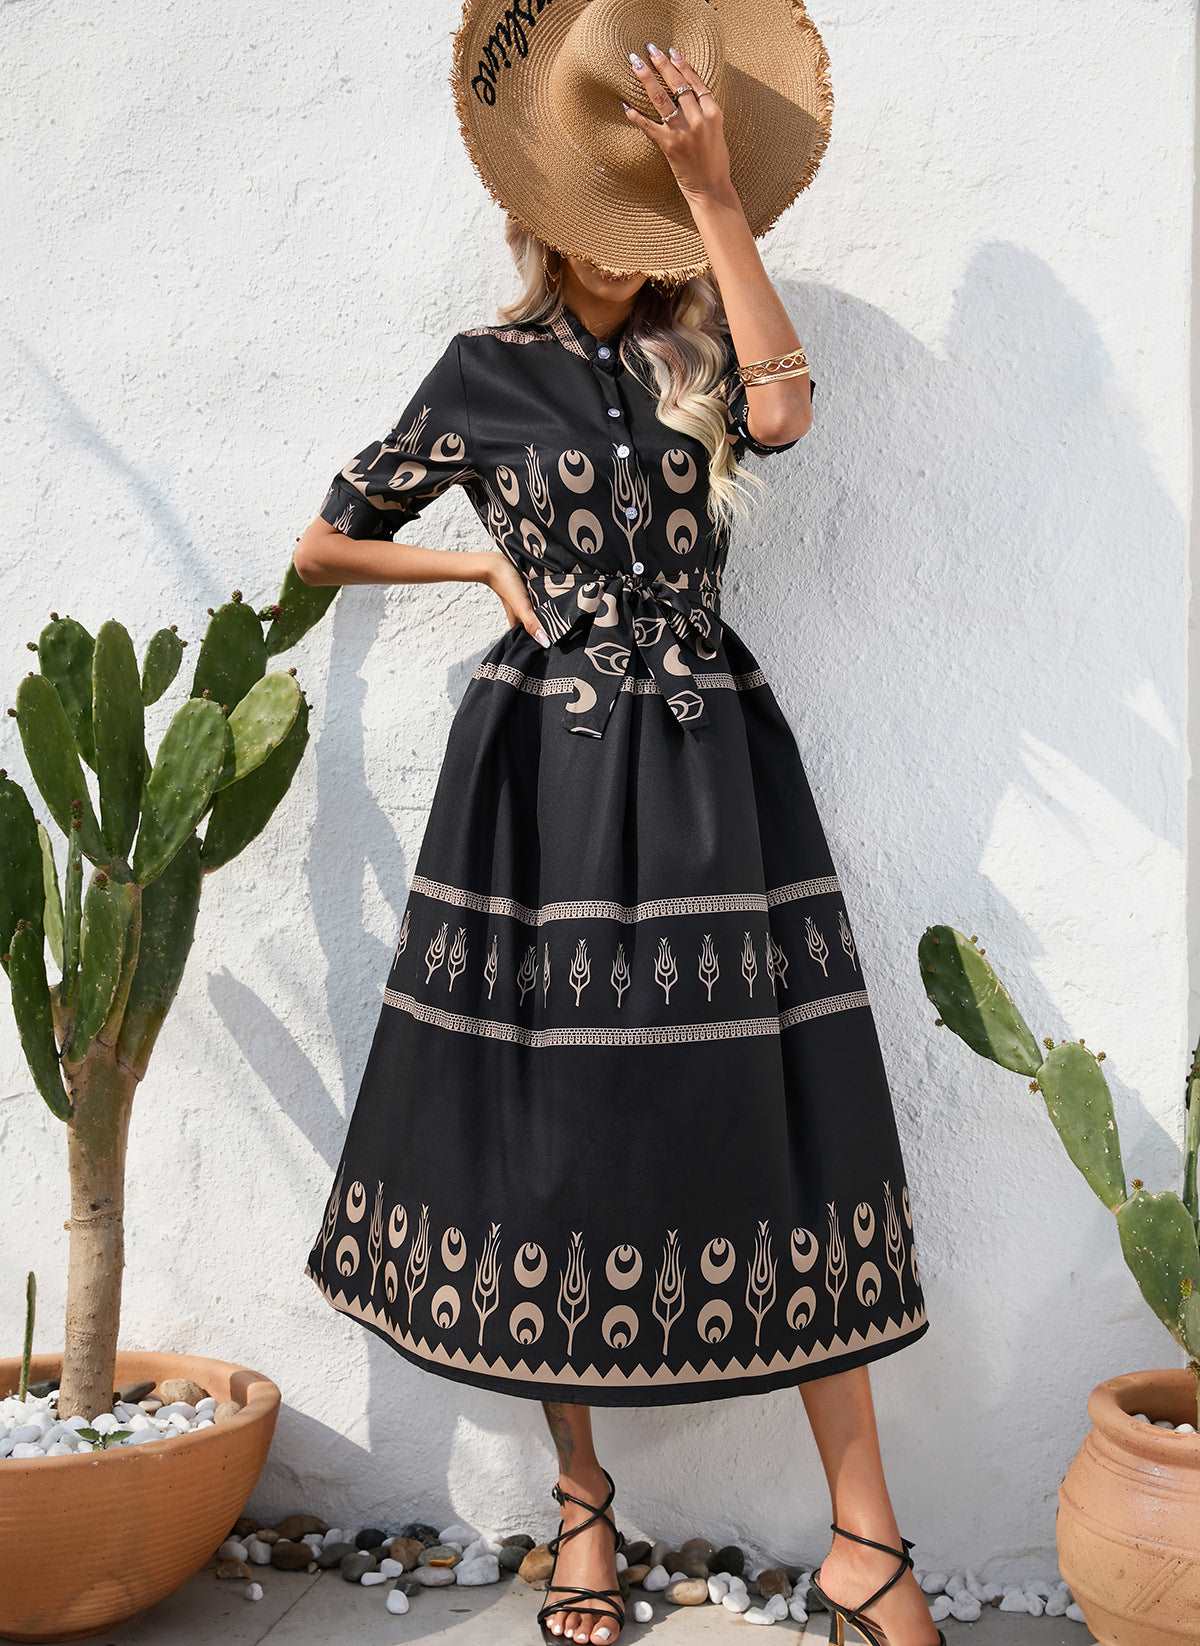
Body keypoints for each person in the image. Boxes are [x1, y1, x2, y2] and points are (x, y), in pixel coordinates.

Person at [298, 4, 940, 1644]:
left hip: (716, 761)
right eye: (617, 180)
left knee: (783, 1115)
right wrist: (477, 569)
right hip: (544, 776)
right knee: (549, 1134)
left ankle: (866, 1541)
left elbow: (787, 414)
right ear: (543, 191)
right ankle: (583, 1511)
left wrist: (717, 197)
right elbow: (323, 543)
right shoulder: (482, 371)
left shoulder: (702, 341)